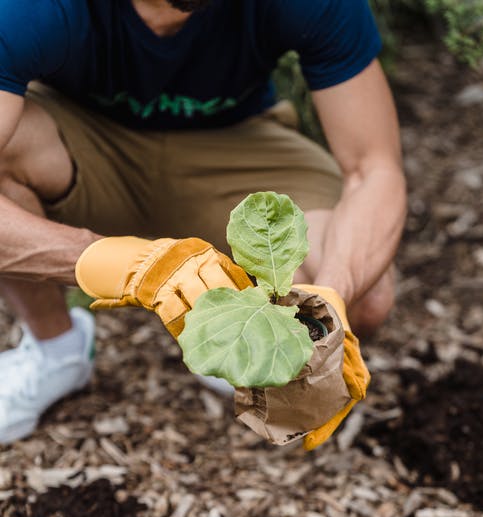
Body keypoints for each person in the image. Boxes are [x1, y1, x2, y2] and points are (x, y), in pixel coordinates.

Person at [0, 0, 406, 445]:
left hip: (232, 145)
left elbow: (374, 169)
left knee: (365, 295)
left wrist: (333, 295)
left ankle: (238, 356)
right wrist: (130, 267)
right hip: (79, 141)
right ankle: (55, 353)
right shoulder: (29, 8)